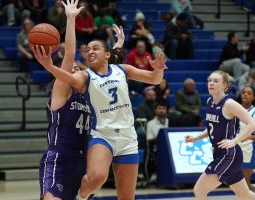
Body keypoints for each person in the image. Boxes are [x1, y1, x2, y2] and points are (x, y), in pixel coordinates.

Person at [31, 18, 166, 200]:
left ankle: (82, 195)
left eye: (95, 49)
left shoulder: (116, 72)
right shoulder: (80, 80)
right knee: (97, 178)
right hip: (75, 148)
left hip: (113, 143)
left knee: (127, 196)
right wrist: (49, 65)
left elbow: (153, 78)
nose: (74, 68)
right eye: (87, 50)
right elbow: (70, 56)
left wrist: (157, 70)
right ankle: (82, 196)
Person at [38, 1, 87, 199]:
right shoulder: (61, 91)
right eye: (70, 69)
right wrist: (70, 19)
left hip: (82, 160)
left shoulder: (88, 95)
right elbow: (69, 54)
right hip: (59, 157)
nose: (74, 69)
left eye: (78, 68)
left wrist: (117, 46)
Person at [185, 70, 255, 199]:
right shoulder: (209, 101)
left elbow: (252, 124)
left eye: (215, 81)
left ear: (224, 86)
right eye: (210, 80)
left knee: (199, 190)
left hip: (229, 155)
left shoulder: (229, 104)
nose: (211, 83)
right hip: (219, 153)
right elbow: (212, 128)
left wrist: (234, 140)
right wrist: (196, 138)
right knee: (244, 194)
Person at [238, 86, 255, 192]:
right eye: (244, 92)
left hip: (250, 149)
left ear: (253, 97)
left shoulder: (254, 112)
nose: (245, 94)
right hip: (235, 148)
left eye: (249, 93)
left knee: (244, 182)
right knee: (235, 182)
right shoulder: (235, 109)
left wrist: (245, 137)